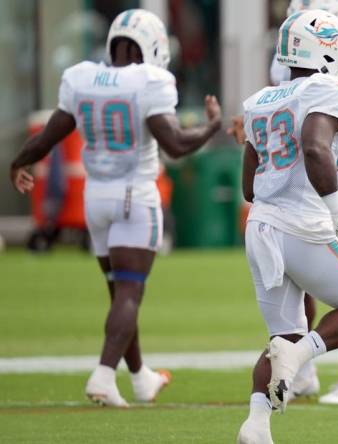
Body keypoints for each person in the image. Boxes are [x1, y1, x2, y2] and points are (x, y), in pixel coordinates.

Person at [10, 9, 222, 407]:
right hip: (135, 196)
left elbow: (51, 134)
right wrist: (211, 126)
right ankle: (105, 374)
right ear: (154, 47)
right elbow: (175, 145)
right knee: (129, 292)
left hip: (96, 199)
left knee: (121, 293)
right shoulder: (150, 81)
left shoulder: (82, 77)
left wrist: (18, 161)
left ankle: (140, 378)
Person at [235, 0, 338, 405]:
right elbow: (314, 147)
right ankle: (304, 363)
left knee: (283, 334)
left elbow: (249, 184)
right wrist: (335, 208)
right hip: (316, 210)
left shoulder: (263, 96)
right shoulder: (328, 84)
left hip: (265, 221)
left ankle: (261, 419)